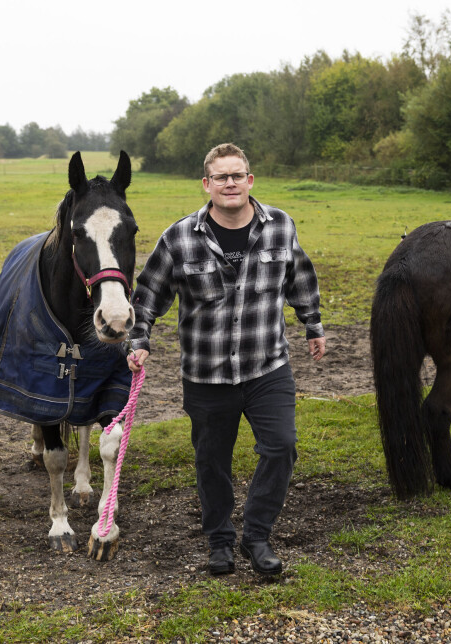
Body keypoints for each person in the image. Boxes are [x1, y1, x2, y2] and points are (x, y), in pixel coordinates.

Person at [127, 143, 327, 576]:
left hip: (267, 366)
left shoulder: (280, 226)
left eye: (238, 175)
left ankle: (257, 535)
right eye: (221, 177)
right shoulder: (179, 237)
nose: (230, 183)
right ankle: (219, 539)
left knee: (282, 446)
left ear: (250, 180)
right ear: (207, 184)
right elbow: (146, 296)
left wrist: (312, 324)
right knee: (211, 461)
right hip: (206, 374)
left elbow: (300, 276)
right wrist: (139, 339)